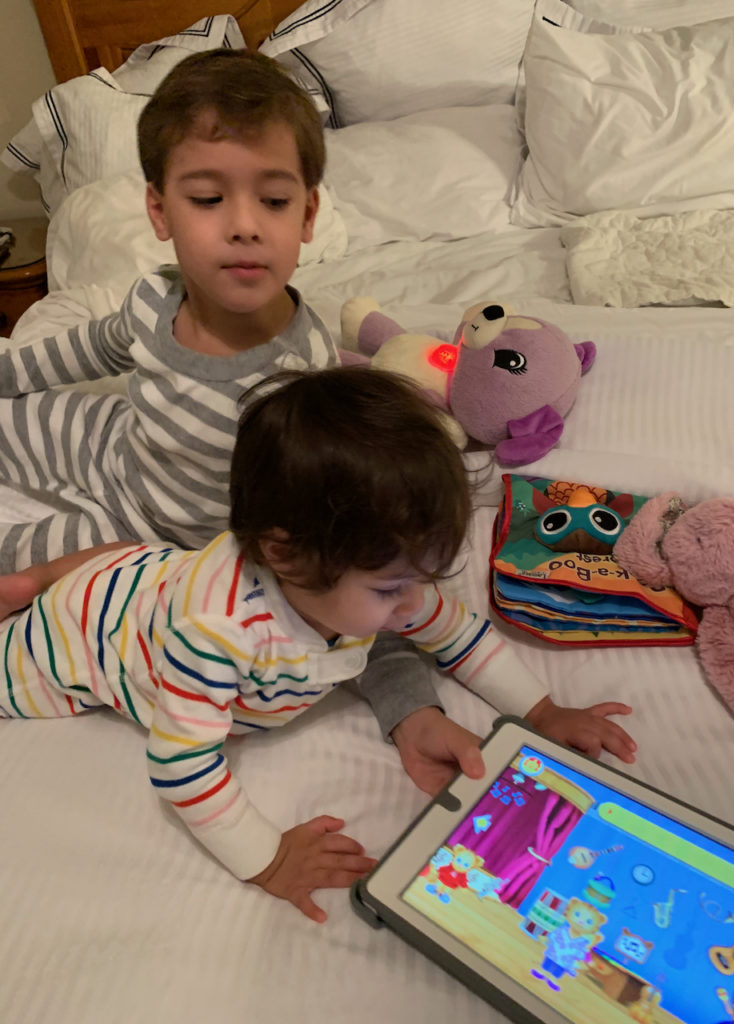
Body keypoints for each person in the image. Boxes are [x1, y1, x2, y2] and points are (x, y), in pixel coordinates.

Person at [0, 366, 636, 923]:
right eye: (391, 589)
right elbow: (180, 766)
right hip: (75, 638)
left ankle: (36, 576)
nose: (414, 605)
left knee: (147, 565)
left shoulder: (369, 580)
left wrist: (540, 711)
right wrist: (268, 859)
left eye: (425, 578)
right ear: (285, 554)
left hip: (148, 573)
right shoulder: (216, 635)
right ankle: (34, 585)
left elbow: (455, 634)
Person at [0, 46, 464, 785]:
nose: (244, 225)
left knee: (21, 564)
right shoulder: (152, 298)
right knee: (21, 419)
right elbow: (83, 352)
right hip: (118, 447)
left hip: (158, 541)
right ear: (159, 210)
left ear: (309, 214)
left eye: (274, 201)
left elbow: (349, 567)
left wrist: (410, 707)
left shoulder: (295, 378)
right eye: (208, 198)